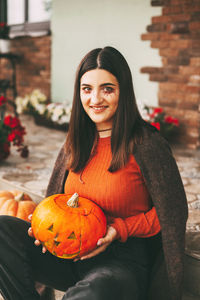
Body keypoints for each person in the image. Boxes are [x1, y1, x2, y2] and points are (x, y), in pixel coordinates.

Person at [0, 46, 188, 300]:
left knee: (96, 290)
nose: (95, 99)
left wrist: (119, 229)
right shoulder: (76, 143)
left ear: (123, 91)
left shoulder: (146, 144)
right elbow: (55, 201)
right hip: (69, 255)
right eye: (87, 89)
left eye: (107, 89)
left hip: (121, 262)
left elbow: (172, 212)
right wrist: (43, 226)